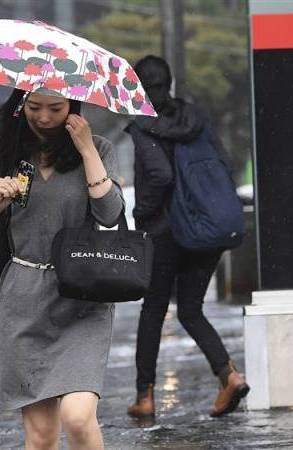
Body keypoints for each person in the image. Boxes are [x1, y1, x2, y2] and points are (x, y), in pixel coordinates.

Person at [0, 88, 124, 450]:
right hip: (25, 300)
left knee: (79, 419)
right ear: (22, 107)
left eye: (56, 108)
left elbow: (111, 213)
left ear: (73, 107)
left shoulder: (98, 149)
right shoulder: (8, 156)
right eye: (35, 107)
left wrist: (85, 149)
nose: (44, 117)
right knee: (39, 437)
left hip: (81, 294)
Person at [125, 55, 250, 419]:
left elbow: (160, 177)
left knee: (153, 310)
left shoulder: (144, 126)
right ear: (171, 81)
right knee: (191, 310)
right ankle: (229, 375)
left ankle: (144, 396)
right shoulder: (195, 119)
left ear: (138, 86)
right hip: (205, 229)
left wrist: (140, 214)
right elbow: (223, 163)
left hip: (165, 232)